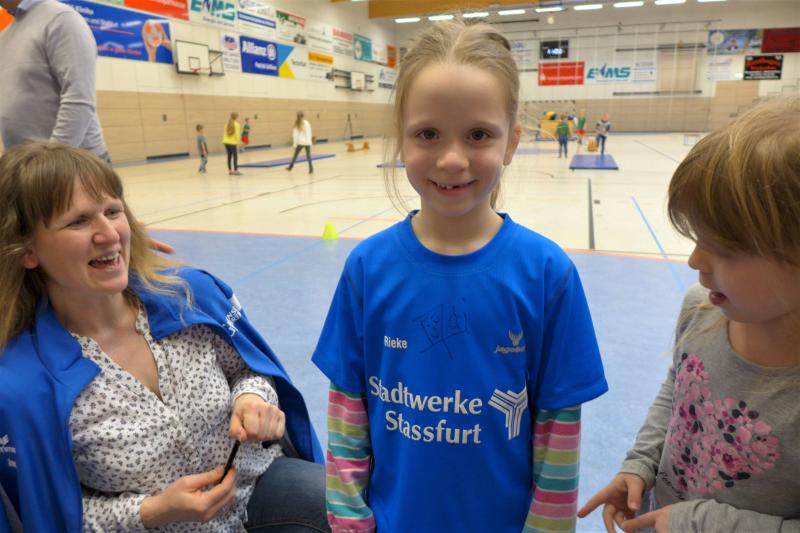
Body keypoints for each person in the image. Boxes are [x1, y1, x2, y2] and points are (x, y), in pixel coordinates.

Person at [312, 20, 608, 533]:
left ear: (512, 142)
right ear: (402, 139)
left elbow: (558, 433)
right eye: (428, 134)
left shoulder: (546, 274)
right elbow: (347, 417)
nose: (452, 159)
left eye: (478, 135)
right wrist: (350, 523)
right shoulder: (367, 268)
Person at [0, 142, 329, 532]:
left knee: (343, 503)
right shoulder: (25, 384)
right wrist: (153, 511)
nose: (108, 234)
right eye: (79, 221)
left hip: (256, 491)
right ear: (27, 250)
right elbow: (55, 514)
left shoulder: (189, 299)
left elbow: (248, 371)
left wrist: (252, 398)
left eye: (113, 211)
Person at [578, 96, 800, 533]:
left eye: (725, 250)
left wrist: (700, 522)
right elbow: (679, 391)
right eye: (698, 239)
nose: (695, 260)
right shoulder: (702, 312)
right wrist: (641, 463)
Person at [0, 0, 108, 160]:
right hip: (24, 165)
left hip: (72, 163)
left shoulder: (60, 18)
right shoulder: (4, 36)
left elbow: (79, 98)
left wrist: (52, 161)